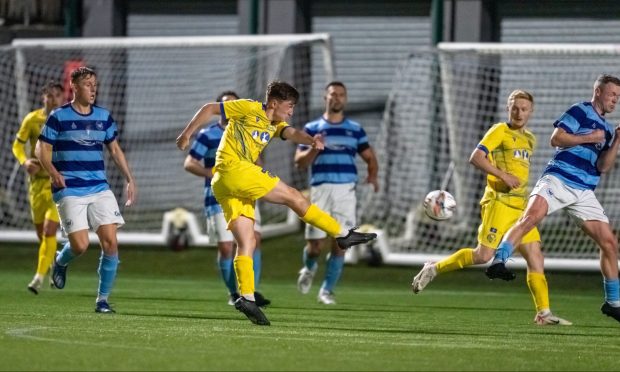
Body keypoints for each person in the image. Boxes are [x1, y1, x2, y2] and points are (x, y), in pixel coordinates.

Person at [176, 81, 377, 326]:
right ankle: (342, 233)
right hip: (235, 170)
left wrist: (311, 140)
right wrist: (187, 133)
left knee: (247, 241)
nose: (291, 111)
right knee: (294, 196)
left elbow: (291, 133)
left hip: (224, 184)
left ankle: (246, 297)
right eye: (289, 106)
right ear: (273, 103)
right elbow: (209, 108)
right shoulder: (249, 108)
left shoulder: (274, 124)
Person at [411, 89, 571, 325]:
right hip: (498, 203)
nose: (519, 112)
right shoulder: (499, 130)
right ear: (508, 108)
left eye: (524, 109)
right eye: (515, 108)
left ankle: (543, 314)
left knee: (536, 257)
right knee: (483, 255)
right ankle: (434, 268)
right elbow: (476, 157)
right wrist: (502, 175)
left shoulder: (531, 139)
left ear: (531, 112)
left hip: (521, 208)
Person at [486, 75, 620, 324]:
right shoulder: (580, 110)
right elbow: (556, 139)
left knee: (610, 243)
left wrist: (616, 142)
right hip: (557, 179)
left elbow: (603, 166)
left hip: (583, 190)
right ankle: (499, 261)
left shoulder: (610, 130)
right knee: (530, 218)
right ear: (598, 92)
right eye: (612, 94)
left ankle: (613, 303)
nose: (615, 100)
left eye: (618, 97)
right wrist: (588, 137)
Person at [36, 66, 137, 313]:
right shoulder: (58, 117)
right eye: (88, 84)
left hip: (99, 187)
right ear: (75, 87)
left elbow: (114, 149)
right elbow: (41, 150)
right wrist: (53, 173)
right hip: (69, 188)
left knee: (111, 243)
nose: (93, 88)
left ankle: (102, 300)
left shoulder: (103, 116)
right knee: (80, 246)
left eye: (95, 84)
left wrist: (129, 178)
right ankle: (60, 261)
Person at [294, 81, 379, 305]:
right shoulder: (311, 128)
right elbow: (299, 163)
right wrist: (314, 147)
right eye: (333, 94)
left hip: (346, 192)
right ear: (326, 98)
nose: (337, 98)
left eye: (341, 95)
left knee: (342, 243)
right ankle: (309, 268)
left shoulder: (355, 129)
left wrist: (373, 176)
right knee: (315, 245)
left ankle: (326, 290)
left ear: (345, 99)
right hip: (320, 190)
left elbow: (370, 157)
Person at [183, 90, 270, 307]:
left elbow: (258, 163)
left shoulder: (247, 131)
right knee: (225, 247)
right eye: (226, 105)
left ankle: (250, 292)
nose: (230, 108)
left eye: (234, 104)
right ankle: (234, 292)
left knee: (253, 240)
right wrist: (211, 172)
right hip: (217, 197)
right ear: (221, 109)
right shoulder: (207, 134)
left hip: (245, 193)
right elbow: (190, 163)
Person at [12, 81, 65, 294]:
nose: (53, 99)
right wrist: (24, 161)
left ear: (62, 99)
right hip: (35, 186)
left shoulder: (64, 120)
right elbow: (17, 144)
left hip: (56, 183)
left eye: (57, 96)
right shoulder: (32, 120)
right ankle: (56, 264)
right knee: (41, 235)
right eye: (49, 95)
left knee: (49, 230)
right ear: (43, 97)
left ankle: (38, 278)